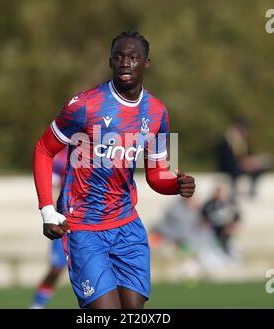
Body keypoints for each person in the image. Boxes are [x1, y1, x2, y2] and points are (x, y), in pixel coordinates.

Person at [33, 31, 196, 309]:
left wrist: (176, 186)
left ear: (146, 63)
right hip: (84, 226)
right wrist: (48, 210)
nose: (125, 63)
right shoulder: (84, 106)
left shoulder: (157, 113)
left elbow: (157, 175)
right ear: (110, 61)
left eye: (133, 57)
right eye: (119, 57)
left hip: (126, 226)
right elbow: (43, 150)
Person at [31, 147, 68, 309]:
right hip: (66, 219)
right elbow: (52, 187)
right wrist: (52, 215)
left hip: (93, 221)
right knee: (56, 268)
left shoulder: (98, 150)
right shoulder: (60, 156)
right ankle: (37, 305)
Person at [217, 118, 271, 200]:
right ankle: (234, 192)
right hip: (230, 167)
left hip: (242, 165)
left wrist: (252, 162)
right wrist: (242, 163)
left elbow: (248, 154)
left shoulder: (244, 141)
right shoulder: (226, 141)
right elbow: (226, 159)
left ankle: (252, 191)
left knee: (258, 169)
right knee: (235, 170)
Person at [202, 186, 240, 259]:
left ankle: (231, 255)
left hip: (226, 229)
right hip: (213, 228)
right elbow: (203, 217)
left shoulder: (230, 204)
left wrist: (232, 226)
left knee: (229, 242)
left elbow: (237, 217)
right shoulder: (209, 204)